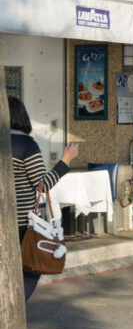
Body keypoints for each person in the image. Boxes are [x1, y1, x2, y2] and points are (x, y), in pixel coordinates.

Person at [11, 96, 77, 301]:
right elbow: (42, 184)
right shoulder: (25, 145)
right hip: (21, 224)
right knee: (30, 270)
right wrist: (66, 160)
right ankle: (11, 318)